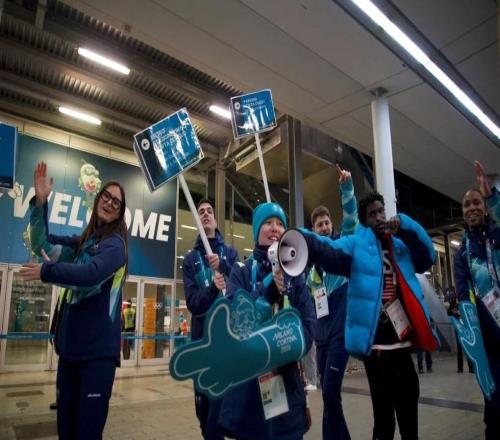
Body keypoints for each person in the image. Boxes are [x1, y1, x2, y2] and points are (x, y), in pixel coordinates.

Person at [300, 191, 439, 440]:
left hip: (403, 343)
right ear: (365, 221)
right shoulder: (356, 245)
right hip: (377, 349)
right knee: (383, 422)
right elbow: (329, 250)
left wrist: (406, 226)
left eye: (380, 211)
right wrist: (301, 237)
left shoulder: (399, 244)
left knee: (410, 419)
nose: (378, 217)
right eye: (371, 214)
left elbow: (428, 257)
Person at [19, 161, 128, 440]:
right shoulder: (82, 243)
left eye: (116, 202)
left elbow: (90, 276)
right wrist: (40, 204)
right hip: (70, 354)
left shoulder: (116, 247)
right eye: (106, 196)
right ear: (98, 198)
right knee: (66, 432)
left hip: (96, 358)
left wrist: (46, 272)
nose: (109, 203)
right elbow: (42, 244)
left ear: (120, 213)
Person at [218, 202, 315, 440]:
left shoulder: (295, 274)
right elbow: (235, 321)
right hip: (249, 391)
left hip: (287, 384)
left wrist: (288, 344)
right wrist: (268, 287)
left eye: (280, 223)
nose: (275, 228)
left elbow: (309, 323)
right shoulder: (241, 271)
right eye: (268, 222)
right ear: (256, 230)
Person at [306, 165, 358, 440]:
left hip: (341, 334)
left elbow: (351, 220)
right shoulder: (311, 268)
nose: (325, 227)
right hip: (321, 339)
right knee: (329, 395)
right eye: (319, 225)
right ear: (313, 230)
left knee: (330, 390)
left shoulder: (342, 248)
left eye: (327, 223)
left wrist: (346, 188)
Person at [183, 198, 239, 440]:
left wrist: (223, 266)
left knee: (221, 412)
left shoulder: (231, 254)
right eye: (201, 212)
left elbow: (241, 291)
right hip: (201, 346)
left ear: (215, 220)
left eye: (209, 211)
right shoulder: (189, 260)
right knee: (204, 414)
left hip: (226, 344)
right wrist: (212, 289)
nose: (205, 214)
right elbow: (193, 304)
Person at [453, 160, 500, 439]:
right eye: (466, 205)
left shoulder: (497, 235)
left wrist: (491, 195)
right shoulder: (463, 252)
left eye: (476, 203)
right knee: (493, 396)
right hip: (488, 335)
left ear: (485, 207)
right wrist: (468, 328)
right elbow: (462, 293)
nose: (471, 208)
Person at [447, 296, 473, 373]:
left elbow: (469, 312)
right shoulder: (454, 302)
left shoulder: (465, 300)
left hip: (465, 326)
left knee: (467, 346)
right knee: (459, 347)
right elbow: (448, 312)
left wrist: (461, 313)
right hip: (458, 327)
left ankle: (471, 368)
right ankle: (460, 368)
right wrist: (454, 312)